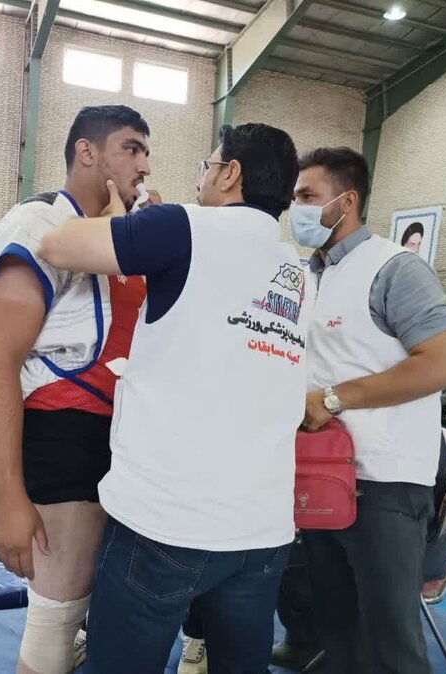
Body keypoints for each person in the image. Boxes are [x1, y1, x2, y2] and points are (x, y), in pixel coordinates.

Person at [39, 122, 307, 674]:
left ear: (230, 173)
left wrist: (124, 219)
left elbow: (57, 244)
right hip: (262, 532)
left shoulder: (185, 226)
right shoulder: (296, 272)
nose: (201, 178)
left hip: (166, 525)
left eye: (208, 166)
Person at [0, 105, 152, 674]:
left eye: (146, 152)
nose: (144, 164)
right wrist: (8, 499)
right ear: (87, 152)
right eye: (131, 148)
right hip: (63, 430)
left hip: (121, 436)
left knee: (94, 595)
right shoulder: (36, 226)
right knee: (57, 611)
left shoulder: (123, 235)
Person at [283, 146, 446, 673]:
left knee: (390, 638)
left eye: (307, 196)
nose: (297, 208)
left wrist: (334, 398)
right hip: (322, 475)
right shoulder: (309, 275)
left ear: (347, 201)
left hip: (385, 484)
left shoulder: (395, 269)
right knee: (337, 623)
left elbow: (442, 365)